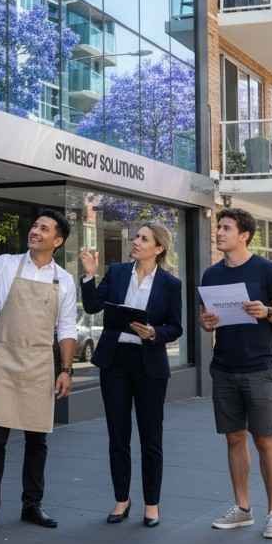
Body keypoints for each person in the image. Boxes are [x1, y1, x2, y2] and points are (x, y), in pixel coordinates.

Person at [0, 210, 78, 534]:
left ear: (58, 240)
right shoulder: (7, 264)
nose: (35, 231)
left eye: (44, 228)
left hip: (39, 363)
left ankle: (31, 505)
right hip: (4, 359)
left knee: (38, 440)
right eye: (34, 225)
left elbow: (66, 329)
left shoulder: (63, 280)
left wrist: (66, 370)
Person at [79, 224, 183, 528]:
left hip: (150, 364)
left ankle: (152, 504)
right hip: (115, 363)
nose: (136, 242)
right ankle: (121, 501)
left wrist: (154, 332)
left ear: (158, 248)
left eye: (143, 239)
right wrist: (88, 274)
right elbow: (92, 305)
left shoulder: (170, 284)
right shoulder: (118, 272)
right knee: (118, 435)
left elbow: (176, 326)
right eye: (136, 237)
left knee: (151, 438)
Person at [199, 208, 272, 540]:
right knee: (234, 437)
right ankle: (242, 508)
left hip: (259, 367)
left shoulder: (266, 269)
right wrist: (206, 321)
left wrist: (266, 311)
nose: (219, 232)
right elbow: (205, 317)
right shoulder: (211, 274)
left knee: (264, 439)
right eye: (218, 227)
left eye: (226, 228)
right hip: (224, 367)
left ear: (244, 235)